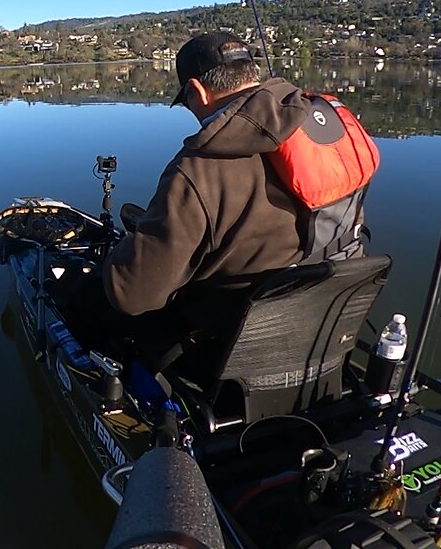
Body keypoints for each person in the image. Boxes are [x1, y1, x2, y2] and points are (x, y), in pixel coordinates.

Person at [65, 31, 378, 355]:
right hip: (328, 321)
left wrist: (116, 261)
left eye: (186, 102)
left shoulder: (198, 171)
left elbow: (132, 295)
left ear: (197, 92)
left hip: (230, 344)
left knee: (87, 297)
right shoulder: (330, 127)